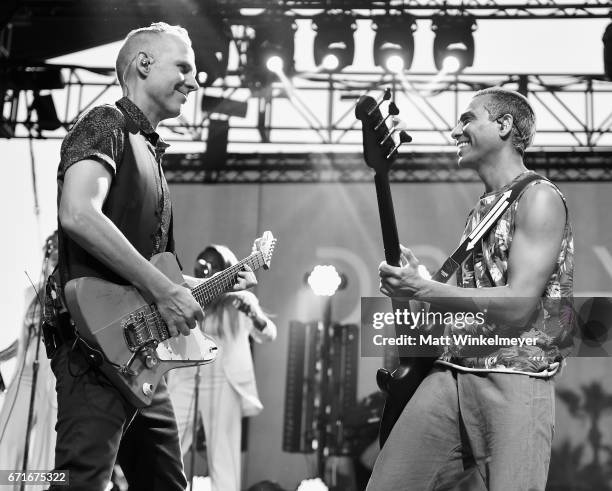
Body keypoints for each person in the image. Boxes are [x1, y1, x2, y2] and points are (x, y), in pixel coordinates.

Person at [49, 23, 256, 491]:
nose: (195, 82)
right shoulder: (105, 123)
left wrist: (215, 285)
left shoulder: (151, 154)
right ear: (144, 64)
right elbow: (78, 212)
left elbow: (158, 275)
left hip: (142, 359)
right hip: (93, 350)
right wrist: (165, 290)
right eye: (184, 67)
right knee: (80, 483)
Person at [368, 88, 574, 490]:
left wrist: (424, 288)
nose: (454, 131)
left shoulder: (540, 197)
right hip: (452, 373)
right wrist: (411, 289)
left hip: (515, 377)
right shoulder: (482, 210)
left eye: (467, 119)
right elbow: (460, 310)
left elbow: (517, 306)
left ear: (503, 125)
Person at [168, 244, 277, 491]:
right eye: (203, 266)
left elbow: (268, 334)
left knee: (223, 455)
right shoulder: (188, 296)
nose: (209, 272)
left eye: (215, 267)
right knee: (169, 444)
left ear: (227, 269)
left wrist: (255, 316)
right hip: (186, 377)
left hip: (224, 382)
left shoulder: (240, 299)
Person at [0, 233, 58, 490]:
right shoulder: (30, 292)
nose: (51, 254)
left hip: (50, 374)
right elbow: (22, 342)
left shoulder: (66, 293)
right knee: (9, 440)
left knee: (45, 452)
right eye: (49, 250)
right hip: (24, 375)